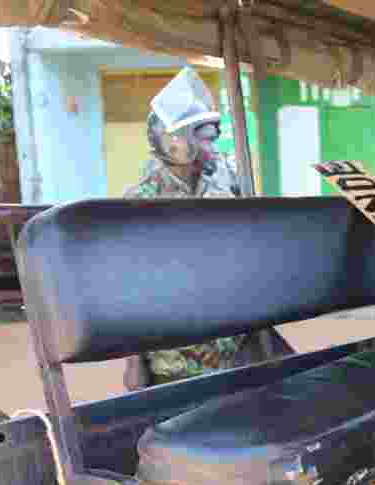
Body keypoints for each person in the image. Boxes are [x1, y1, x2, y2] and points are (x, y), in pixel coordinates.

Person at [122, 67, 290, 390]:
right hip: (179, 354)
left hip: (233, 335)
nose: (214, 148)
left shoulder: (224, 185)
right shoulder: (142, 200)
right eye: (205, 140)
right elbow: (133, 285)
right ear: (177, 142)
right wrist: (134, 364)